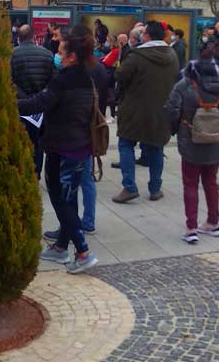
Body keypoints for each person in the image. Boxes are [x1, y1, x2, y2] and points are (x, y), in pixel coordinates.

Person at [18, 26, 100, 274]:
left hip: (62, 148)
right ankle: (61, 247)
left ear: (71, 56)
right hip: (79, 147)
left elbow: (38, 103)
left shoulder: (63, 79)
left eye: (61, 51)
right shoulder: (86, 76)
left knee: (61, 200)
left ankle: (83, 252)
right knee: (69, 198)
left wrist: (8, 102)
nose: (57, 54)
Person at [165, 42, 219, 244]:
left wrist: (175, 130)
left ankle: (191, 228)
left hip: (191, 140)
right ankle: (213, 222)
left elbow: (172, 109)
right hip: (218, 140)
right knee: (211, 181)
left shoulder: (187, 83)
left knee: (190, 183)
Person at [112, 20, 179, 203]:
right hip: (161, 110)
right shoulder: (172, 55)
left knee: (126, 144)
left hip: (134, 109)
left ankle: (129, 187)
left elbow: (120, 76)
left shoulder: (136, 55)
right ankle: (155, 188)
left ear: (147, 35)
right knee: (156, 148)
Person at [11, 24, 56, 175]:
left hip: (21, 106)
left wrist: (24, 97)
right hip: (41, 106)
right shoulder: (48, 54)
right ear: (33, 36)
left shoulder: (12, 54)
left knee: (21, 140)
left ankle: (22, 171)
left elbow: (9, 80)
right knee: (38, 142)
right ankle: (36, 173)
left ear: (19, 38)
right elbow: (53, 80)